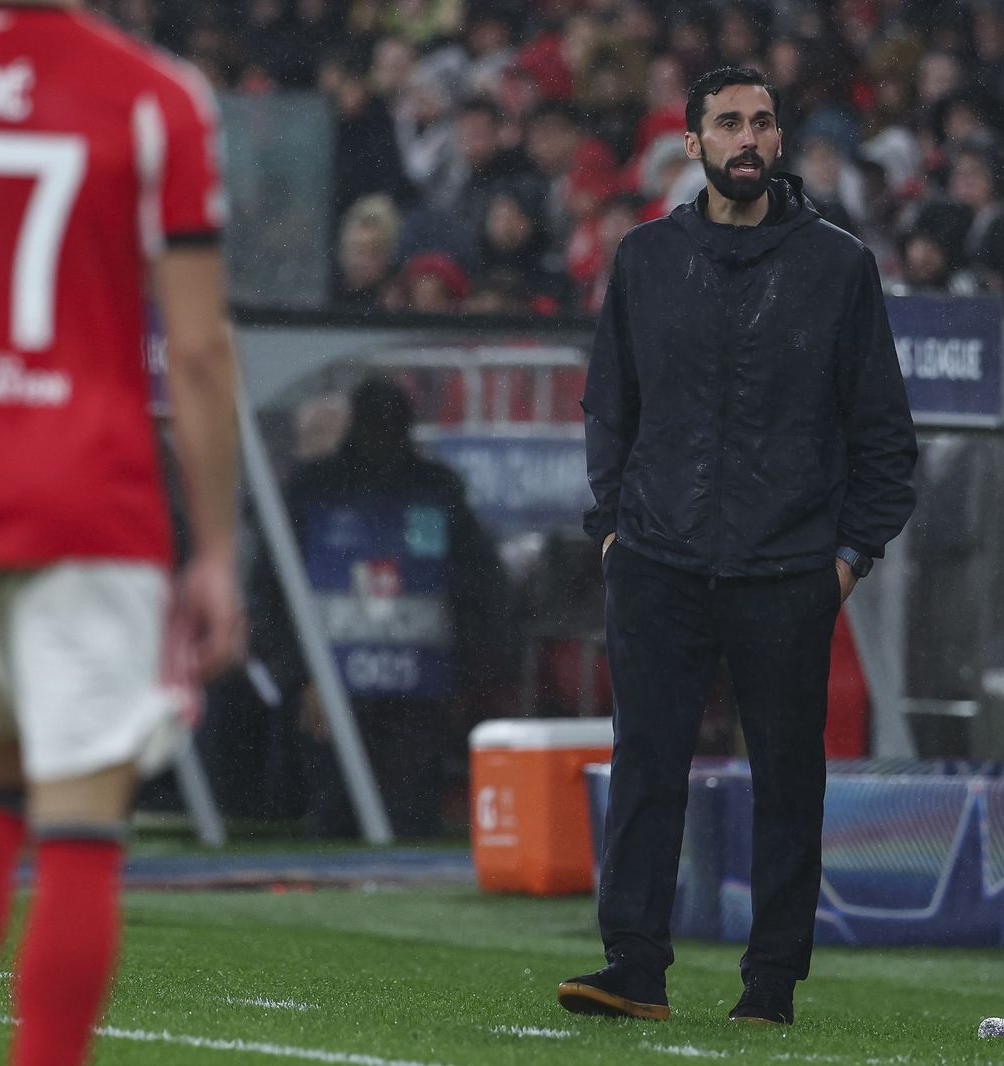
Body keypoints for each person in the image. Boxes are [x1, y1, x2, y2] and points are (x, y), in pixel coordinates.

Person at [0, 4, 242, 1066]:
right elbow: (195, 350)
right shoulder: (153, 94)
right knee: (81, 820)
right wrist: (220, 551)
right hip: (82, 498)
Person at [560, 66, 917, 1027]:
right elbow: (609, 409)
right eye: (729, 122)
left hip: (789, 569)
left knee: (789, 786)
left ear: (779, 140)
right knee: (646, 769)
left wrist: (848, 560)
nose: (748, 137)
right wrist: (613, 533)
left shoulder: (838, 266)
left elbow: (884, 433)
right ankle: (633, 967)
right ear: (694, 144)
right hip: (658, 560)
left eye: (762, 121)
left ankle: (770, 987)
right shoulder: (645, 258)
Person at [248, 376, 513, 838]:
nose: (382, 435)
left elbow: (481, 591)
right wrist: (300, 677)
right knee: (334, 820)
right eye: (375, 422)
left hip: (417, 699)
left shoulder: (438, 491)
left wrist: (462, 677)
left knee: (411, 819)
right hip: (331, 695)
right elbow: (272, 592)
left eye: (391, 424)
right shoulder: (313, 491)